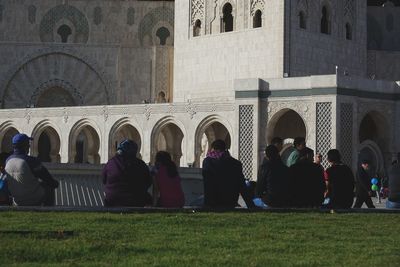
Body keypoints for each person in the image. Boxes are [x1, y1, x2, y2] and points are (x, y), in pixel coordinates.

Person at [5, 133, 59, 206]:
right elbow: (47, 177)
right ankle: (48, 210)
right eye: (28, 144)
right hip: (32, 199)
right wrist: (55, 183)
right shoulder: (30, 161)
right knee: (49, 186)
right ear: (26, 146)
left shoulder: (7, 160)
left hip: (17, 200)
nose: (29, 146)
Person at [202, 139, 255, 209]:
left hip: (213, 201)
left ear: (213, 149)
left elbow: (207, 183)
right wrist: (250, 204)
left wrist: (208, 203)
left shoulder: (207, 162)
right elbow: (242, 185)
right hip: (231, 201)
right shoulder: (236, 164)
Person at [102, 139, 152, 207]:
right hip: (136, 201)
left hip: (112, 201)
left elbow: (104, 180)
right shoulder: (141, 164)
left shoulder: (110, 163)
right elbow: (148, 182)